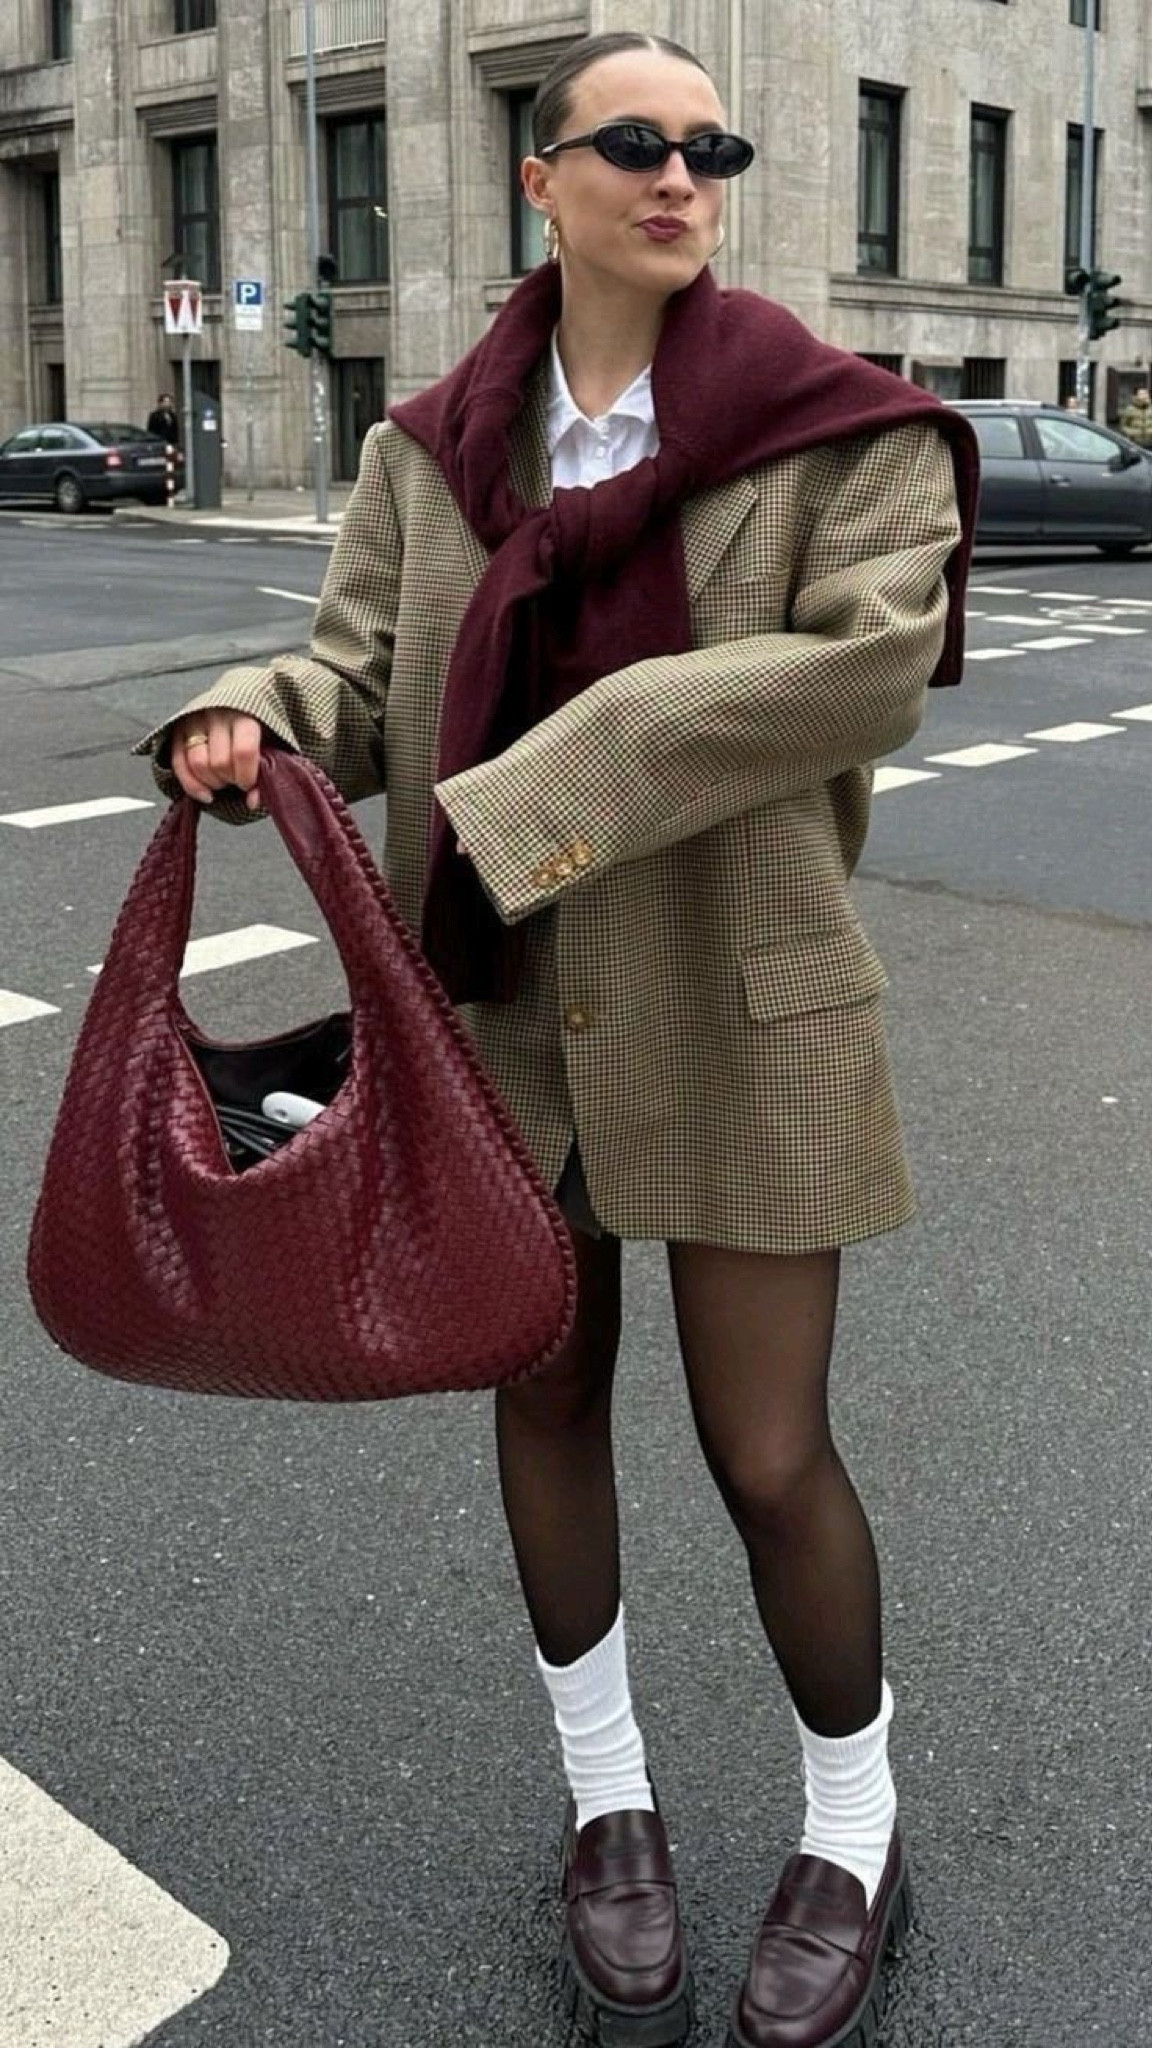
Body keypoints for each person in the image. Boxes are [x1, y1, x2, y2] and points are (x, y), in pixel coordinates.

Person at [136, 30, 977, 2048]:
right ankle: (608, 1805)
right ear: (544, 178)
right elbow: (347, 667)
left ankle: (849, 1824)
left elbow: (858, 672)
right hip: (499, 1026)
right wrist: (243, 708)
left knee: (768, 1453)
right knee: (544, 1404)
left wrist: (560, 763)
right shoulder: (429, 453)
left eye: (712, 146)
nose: (678, 176)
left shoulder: (831, 428)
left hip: (749, 1009)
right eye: (634, 143)